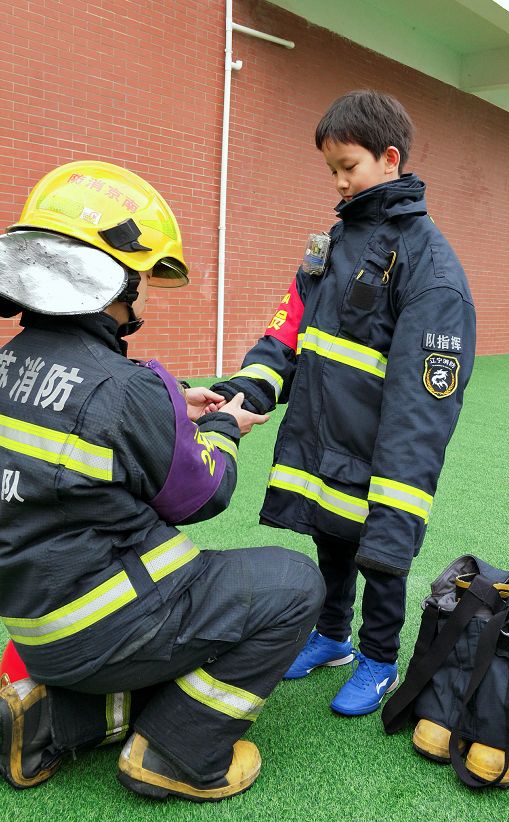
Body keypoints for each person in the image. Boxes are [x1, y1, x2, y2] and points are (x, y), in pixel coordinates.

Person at [0, 160, 324, 801]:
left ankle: (53, 719)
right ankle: (178, 753)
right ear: (108, 279)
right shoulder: (126, 391)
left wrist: (173, 400)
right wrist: (225, 429)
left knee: (162, 619)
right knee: (293, 584)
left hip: (34, 629)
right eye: (139, 279)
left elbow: (76, 421)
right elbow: (200, 494)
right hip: (104, 627)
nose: (140, 293)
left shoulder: (8, 365)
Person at [209, 90, 476, 717]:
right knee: (329, 539)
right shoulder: (331, 243)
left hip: (382, 451)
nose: (338, 182)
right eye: (330, 169)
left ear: (390, 158)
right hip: (323, 436)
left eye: (348, 167)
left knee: (380, 557)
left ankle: (379, 660)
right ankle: (332, 638)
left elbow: (423, 406)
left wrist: (398, 489)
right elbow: (286, 331)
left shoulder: (430, 266)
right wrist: (244, 393)